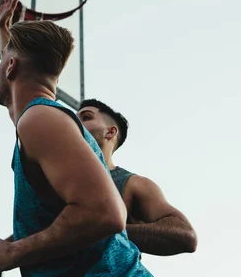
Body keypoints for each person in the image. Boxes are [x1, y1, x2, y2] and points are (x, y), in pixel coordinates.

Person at [0, 0, 152, 276]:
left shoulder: (41, 120)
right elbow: (17, 78)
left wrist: (10, 252)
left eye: (3, 61)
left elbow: (107, 214)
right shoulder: (39, 119)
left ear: (10, 68)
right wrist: (4, 31)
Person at [77, 100, 198, 257]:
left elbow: (185, 235)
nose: (75, 123)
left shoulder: (132, 184)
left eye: (86, 117)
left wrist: (104, 232)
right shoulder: (51, 176)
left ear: (110, 132)